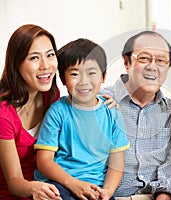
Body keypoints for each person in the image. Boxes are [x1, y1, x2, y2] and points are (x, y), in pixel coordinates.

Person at [34, 38, 130, 200]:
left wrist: (108, 191)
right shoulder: (58, 111)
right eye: (74, 74)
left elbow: (117, 163)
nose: (83, 81)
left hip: (97, 188)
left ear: (103, 76)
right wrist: (73, 184)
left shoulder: (112, 112)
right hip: (62, 184)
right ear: (63, 80)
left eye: (91, 73)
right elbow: (44, 160)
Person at [100, 30, 171, 200]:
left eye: (161, 61)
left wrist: (164, 196)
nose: (152, 66)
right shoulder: (100, 102)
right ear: (126, 62)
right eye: (144, 58)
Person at [0, 24, 62, 199]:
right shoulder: (3, 114)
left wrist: (102, 101)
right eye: (34, 58)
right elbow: (14, 181)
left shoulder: (50, 95)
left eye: (50, 55)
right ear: (16, 63)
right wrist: (36, 188)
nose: (45, 66)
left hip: (49, 191)